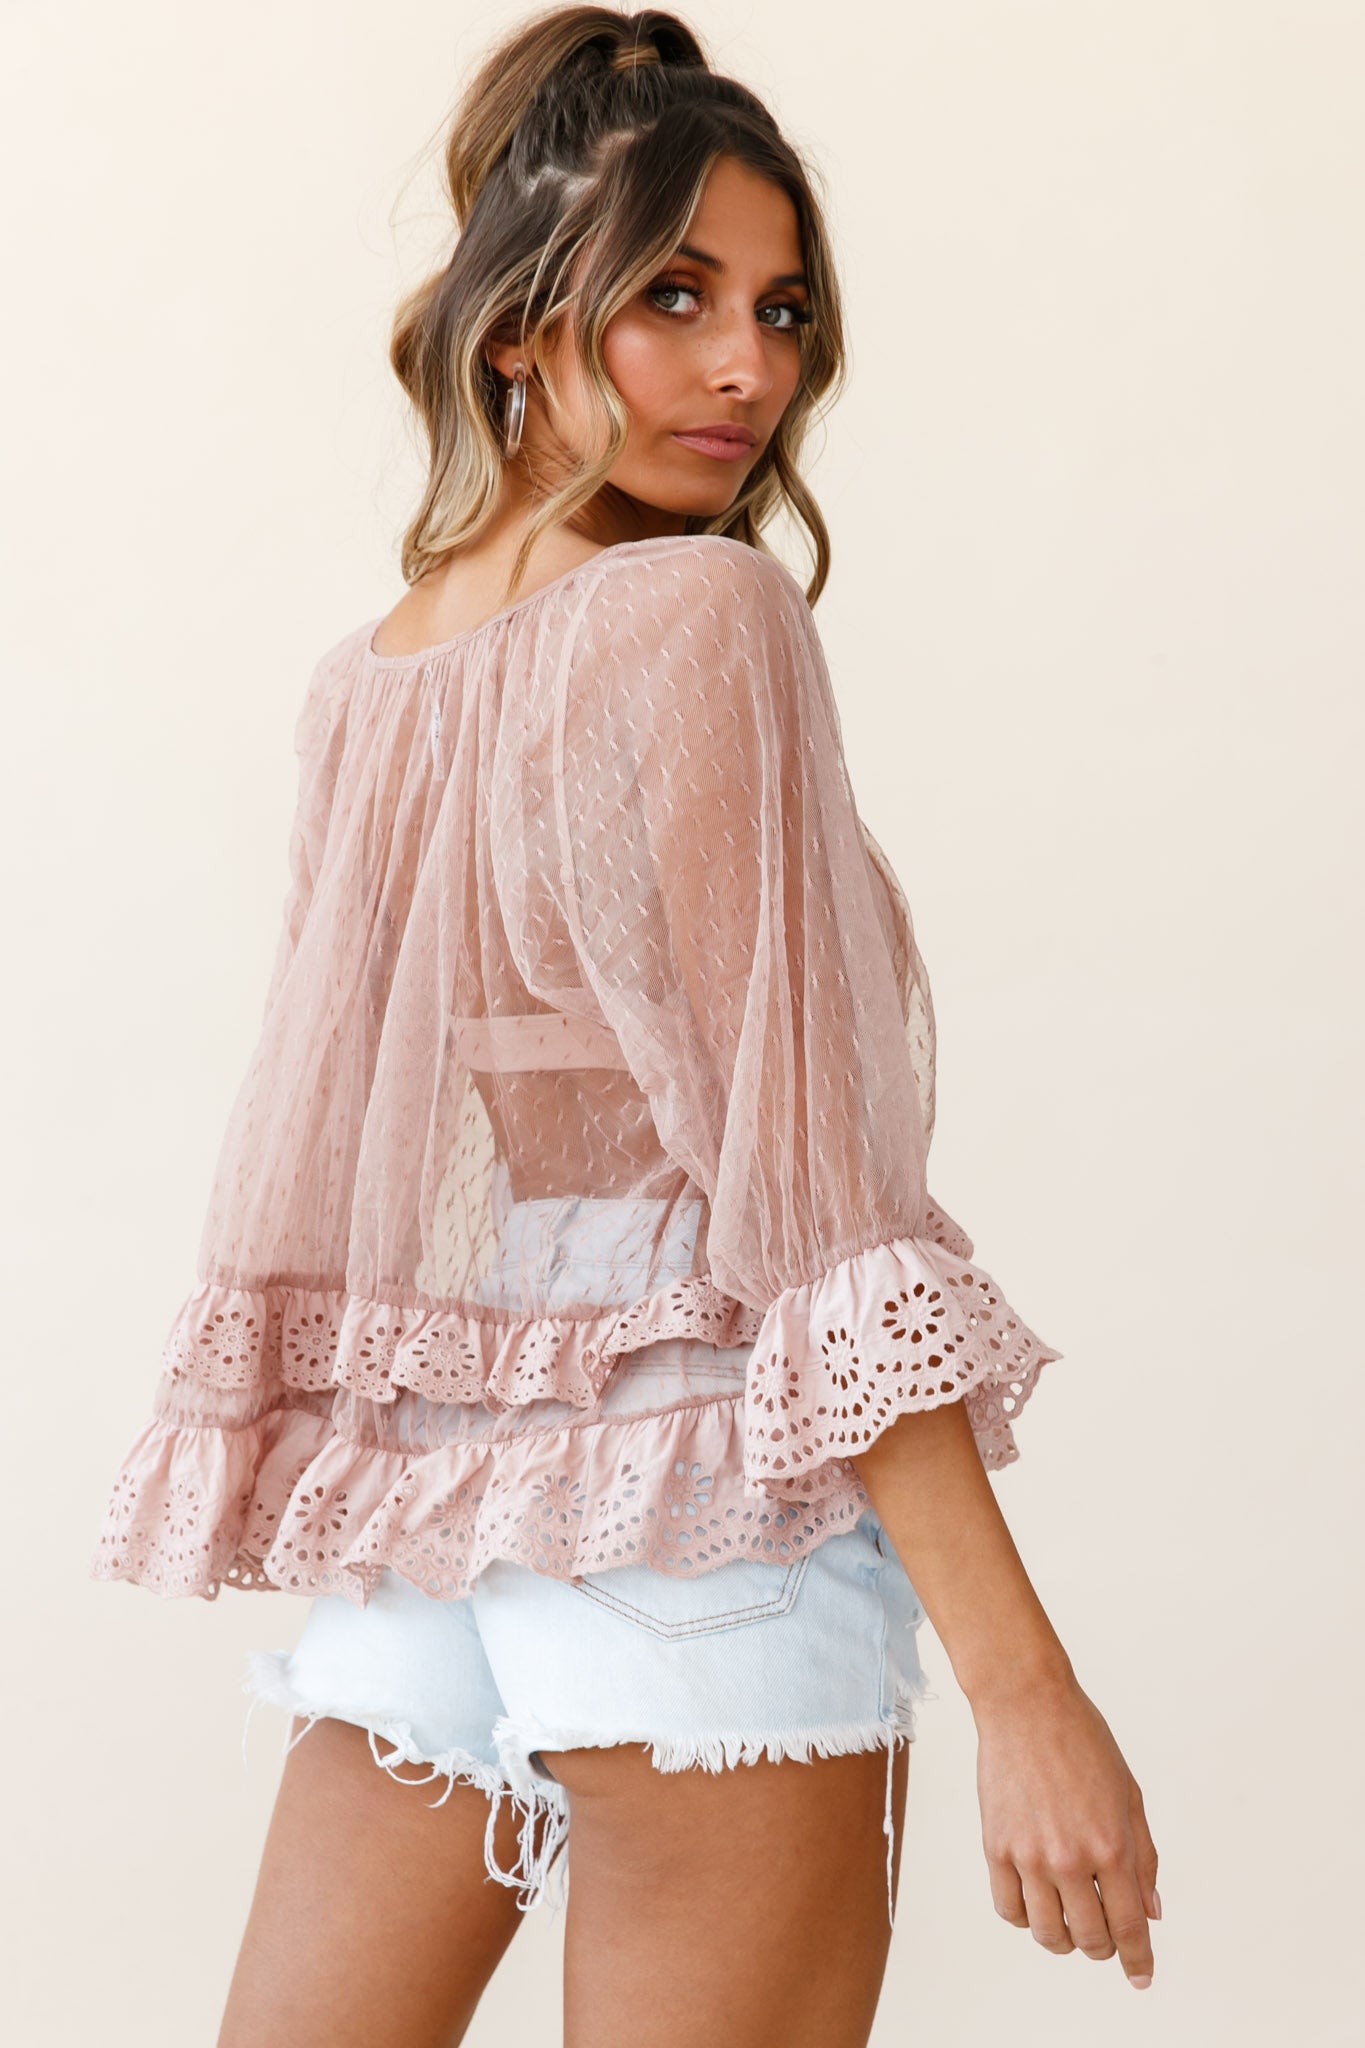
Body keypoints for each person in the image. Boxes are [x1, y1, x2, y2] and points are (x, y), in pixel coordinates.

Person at [89, 9, 1160, 2044]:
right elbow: (809, 1214)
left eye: (779, 308)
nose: (747, 366)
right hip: (698, 1523)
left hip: (429, 1529)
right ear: (515, 325)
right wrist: (1027, 1691)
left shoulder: (368, 683)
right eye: (673, 296)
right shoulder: (704, 616)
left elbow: (471, 1169)